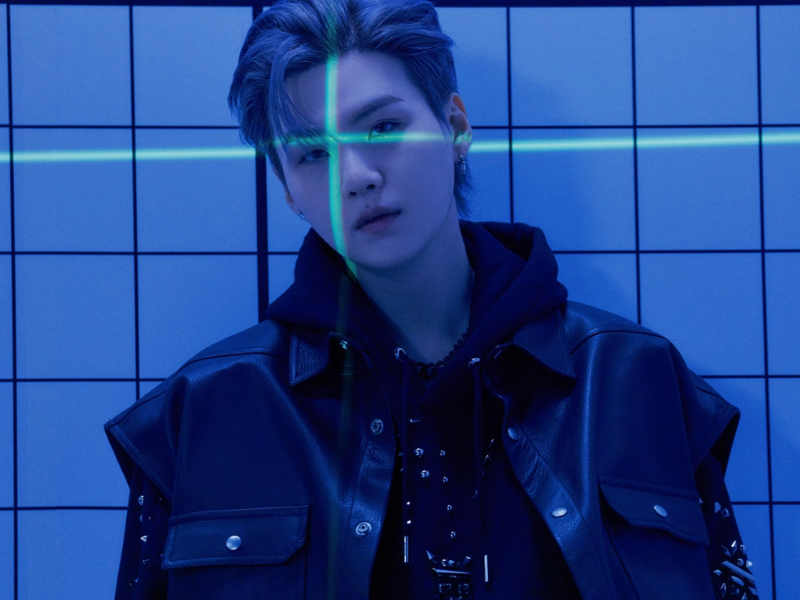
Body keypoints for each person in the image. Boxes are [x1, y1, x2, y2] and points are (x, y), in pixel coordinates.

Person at [105, 0, 758, 598]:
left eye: (383, 127)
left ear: (454, 126)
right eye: (311, 155)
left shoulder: (638, 382)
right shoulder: (202, 414)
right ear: (287, 190)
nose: (357, 176)